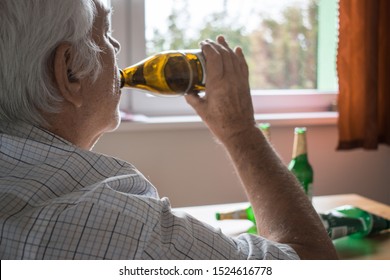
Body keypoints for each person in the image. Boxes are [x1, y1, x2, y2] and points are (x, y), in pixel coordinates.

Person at [0, 0, 337, 260]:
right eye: (104, 34)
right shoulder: (124, 233)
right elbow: (314, 264)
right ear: (70, 71)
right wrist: (240, 133)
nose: (116, 48)